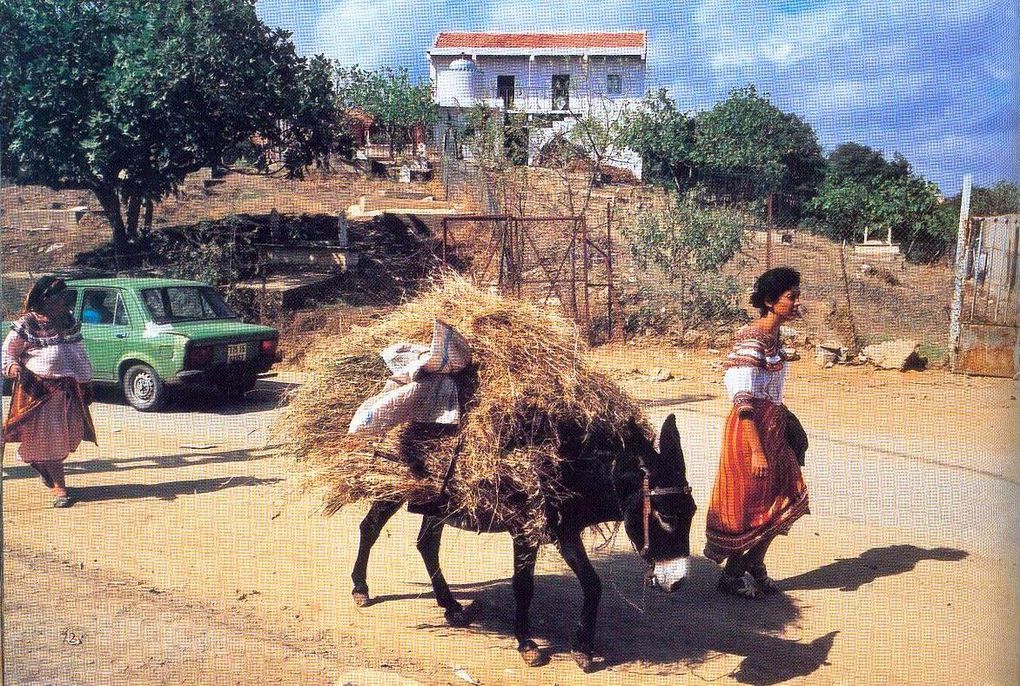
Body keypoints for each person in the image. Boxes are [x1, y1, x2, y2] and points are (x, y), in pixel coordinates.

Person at [704, 267, 810, 598]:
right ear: (769, 301)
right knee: (751, 506)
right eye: (791, 297)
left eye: (796, 296)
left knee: (784, 498)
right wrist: (757, 449)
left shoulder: (775, 339)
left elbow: (770, 391)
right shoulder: (750, 340)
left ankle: (753, 564)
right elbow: (743, 399)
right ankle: (734, 574)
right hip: (749, 433)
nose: (796, 303)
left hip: (773, 428)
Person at [3, 276, 96, 508]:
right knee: (51, 439)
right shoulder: (27, 323)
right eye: (62, 297)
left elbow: (77, 352)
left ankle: (42, 465)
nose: (67, 302)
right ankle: (60, 489)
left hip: (68, 390)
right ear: (45, 299)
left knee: (71, 435)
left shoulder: (68, 320)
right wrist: (13, 367)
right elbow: (8, 352)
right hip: (39, 391)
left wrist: (86, 381)